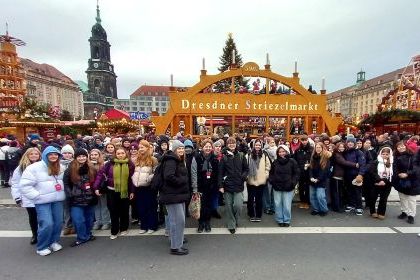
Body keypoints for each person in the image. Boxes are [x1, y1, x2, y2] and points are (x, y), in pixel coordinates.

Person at [20, 146, 66, 256]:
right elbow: (25, 185)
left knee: (58, 222)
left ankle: (53, 241)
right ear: (45, 155)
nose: (53, 156)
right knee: (47, 223)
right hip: (42, 201)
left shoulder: (62, 167)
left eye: (55, 154)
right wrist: (36, 196)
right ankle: (42, 246)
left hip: (57, 200)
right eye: (50, 154)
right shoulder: (34, 168)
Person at [93, 147, 135, 240]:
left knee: (124, 211)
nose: (120, 155)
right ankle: (114, 230)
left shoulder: (130, 164)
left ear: (125, 154)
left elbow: (131, 179)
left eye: (122, 153)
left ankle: (124, 228)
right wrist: (96, 187)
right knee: (113, 211)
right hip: (111, 191)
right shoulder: (109, 164)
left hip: (125, 191)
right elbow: (100, 175)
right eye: (118, 153)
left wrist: (132, 191)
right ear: (115, 154)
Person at [160, 140, 190, 255]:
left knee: (177, 220)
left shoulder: (176, 159)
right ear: (174, 150)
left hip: (177, 195)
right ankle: (175, 247)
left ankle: (177, 240)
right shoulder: (171, 160)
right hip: (172, 195)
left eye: (182, 148)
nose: (181, 150)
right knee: (178, 221)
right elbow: (169, 176)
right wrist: (181, 181)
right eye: (179, 148)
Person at [63, 148, 97, 247]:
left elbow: (96, 182)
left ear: (87, 157)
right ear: (76, 157)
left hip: (90, 198)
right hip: (76, 199)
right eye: (79, 156)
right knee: (78, 220)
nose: (82, 158)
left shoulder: (92, 168)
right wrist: (70, 194)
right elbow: (66, 183)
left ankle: (88, 234)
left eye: (83, 156)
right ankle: (82, 237)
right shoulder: (70, 169)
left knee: (89, 219)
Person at [10, 147, 41, 244]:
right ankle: (35, 234)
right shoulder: (20, 168)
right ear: (27, 155)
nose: (34, 156)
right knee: (33, 217)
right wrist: (17, 197)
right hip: (28, 197)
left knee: (44, 217)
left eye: (36, 154)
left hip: (42, 196)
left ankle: (43, 233)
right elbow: (15, 184)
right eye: (31, 154)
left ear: (39, 155)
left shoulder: (43, 165)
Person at [218, 137, 249, 234]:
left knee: (238, 205)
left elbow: (246, 169)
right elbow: (220, 173)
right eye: (230, 143)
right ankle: (231, 224)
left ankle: (235, 219)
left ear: (236, 144)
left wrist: (242, 177)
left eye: (233, 143)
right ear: (227, 145)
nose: (232, 145)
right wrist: (221, 186)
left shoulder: (241, 155)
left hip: (238, 184)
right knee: (228, 206)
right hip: (227, 185)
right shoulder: (223, 157)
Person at [191, 139, 219, 232]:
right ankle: (200, 223)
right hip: (200, 185)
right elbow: (194, 173)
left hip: (211, 185)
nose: (207, 148)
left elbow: (217, 173)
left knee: (209, 205)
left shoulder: (214, 158)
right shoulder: (197, 157)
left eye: (209, 147)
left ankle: (207, 222)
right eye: (206, 146)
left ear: (212, 148)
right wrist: (195, 187)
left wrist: (216, 185)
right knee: (201, 205)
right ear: (202, 147)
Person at [269, 145, 300, 227]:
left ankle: (286, 220)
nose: (281, 153)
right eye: (280, 152)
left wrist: (293, 183)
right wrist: (272, 181)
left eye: (283, 151)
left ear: (286, 152)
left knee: (286, 204)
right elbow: (271, 173)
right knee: (278, 204)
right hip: (277, 186)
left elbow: (296, 173)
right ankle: (279, 219)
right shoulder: (275, 162)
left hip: (288, 186)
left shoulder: (292, 161)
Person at [132, 140, 159, 234]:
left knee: (151, 206)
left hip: (149, 187)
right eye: (139, 147)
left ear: (147, 148)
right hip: (138, 187)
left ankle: (152, 225)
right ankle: (144, 225)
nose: (140, 149)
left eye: (142, 147)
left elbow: (156, 173)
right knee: (141, 207)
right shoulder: (136, 159)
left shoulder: (153, 159)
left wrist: (149, 178)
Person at [246, 139, 271, 222]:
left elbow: (268, 166)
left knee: (259, 199)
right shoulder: (248, 154)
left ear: (261, 146)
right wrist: (246, 176)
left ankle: (258, 214)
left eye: (259, 145)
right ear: (253, 146)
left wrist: (266, 175)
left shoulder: (264, 154)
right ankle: (251, 214)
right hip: (251, 180)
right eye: (256, 145)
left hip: (261, 180)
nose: (257, 146)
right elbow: (245, 166)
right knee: (250, 199)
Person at [393, 142, 418, 224]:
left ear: (406, 146)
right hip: (400, 180)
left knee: (411, 199)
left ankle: (411, 215)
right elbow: (394, 168)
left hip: (412, 180)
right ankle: (404, 212)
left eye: (402, 146)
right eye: (398, 147)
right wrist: (398, 174)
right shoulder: (396, 157)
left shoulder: (413, 156)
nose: (401, 148)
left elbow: (416, 168)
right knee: (402, 197)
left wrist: (407, 173)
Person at [366, 147, 393, 219]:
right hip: (376, 183)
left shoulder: (392, 163)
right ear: (380, 154)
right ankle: (372, 211)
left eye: (387, 154)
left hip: (387, 184)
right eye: (383, 154)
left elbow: (393, 174)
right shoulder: (376, 162)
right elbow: (372, 172)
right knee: (373, 198)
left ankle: (381, 212)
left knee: (383, 199)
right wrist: (379, 180)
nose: (385, 155)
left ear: (389, 154)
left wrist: (384, 181)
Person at [343, 135, 367, 216]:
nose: (350, 143)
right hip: (347, 175)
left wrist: (360, 174)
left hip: (356, 175)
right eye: (348, 142)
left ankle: (359, 207)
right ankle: (351, 204)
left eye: (351, 142)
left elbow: (362, 164)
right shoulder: (345, 152)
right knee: (349, 191)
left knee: (357, 192)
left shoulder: (359, 152)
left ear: (354, 143)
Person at [90, 149, 110, 230]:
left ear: (99, 155)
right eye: (92, 155)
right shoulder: (88, 165)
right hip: (92, 189)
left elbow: (103, 178)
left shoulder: (104, 165)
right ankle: (98, 222)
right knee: (96, 206)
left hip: (102, 189)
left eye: (95, 154)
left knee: (104, 206)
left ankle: (106, 222)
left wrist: (99, 188)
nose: (93, 156)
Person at [309, 143, 330, 216]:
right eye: (316, 147)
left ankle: (324, 210)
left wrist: (318, 179)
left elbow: (324, 170)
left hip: (321, 180)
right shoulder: (313, 157)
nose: (318, 149)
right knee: (312, 196)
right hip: (312, 180)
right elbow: (310, 168)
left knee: (320, 196)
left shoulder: (325, 158)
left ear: (322, 148)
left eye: (319, 147)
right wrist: (311, 177)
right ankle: (316, 209)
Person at [293, 135, 313, 209]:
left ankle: (307, 202)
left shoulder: (311, 149)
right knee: (301, 187)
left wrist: (310, 165)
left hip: (309, 171)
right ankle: (302, 202)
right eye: (303, 140)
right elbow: (295, 161)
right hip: (300, 171)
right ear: (300, 141)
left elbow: (314, 161)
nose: (304, 141)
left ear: (308, 140)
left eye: (305, 140)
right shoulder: (298, 150)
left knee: (307, 187)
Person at [60, 144, 75, 235]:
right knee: (66, 209)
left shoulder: (75, 163)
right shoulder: (58, 164)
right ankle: (67, 226)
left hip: (74, 189)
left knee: (74, 208)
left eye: (69, 153)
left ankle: (74, 225)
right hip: (62, 190)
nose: (67, 155)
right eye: (65, 153)